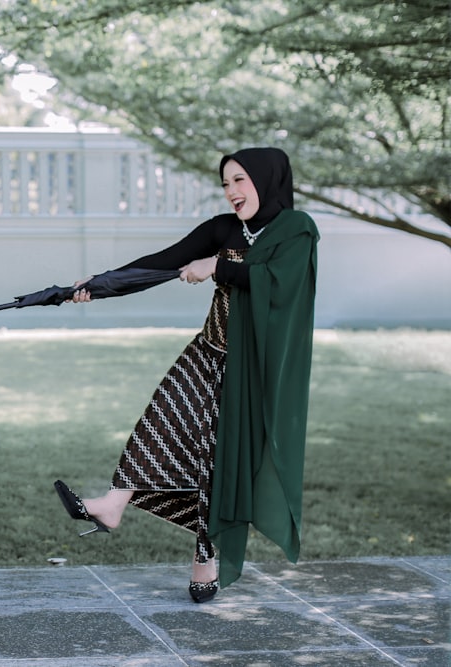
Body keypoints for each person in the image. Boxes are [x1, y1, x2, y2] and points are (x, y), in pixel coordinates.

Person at [54, 147, 318, 602]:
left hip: (253, 372)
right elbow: (162, 262)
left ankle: (205, 560)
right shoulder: (224, 229)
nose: (232, 192)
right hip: (209, 349)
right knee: (162, 417)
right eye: (225, 184)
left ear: (266, 179)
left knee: (215, 460)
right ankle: (113, 505)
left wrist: (218, 266)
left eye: (240, 180)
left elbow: (281, 282)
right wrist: (93, 287)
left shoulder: (297, 231)